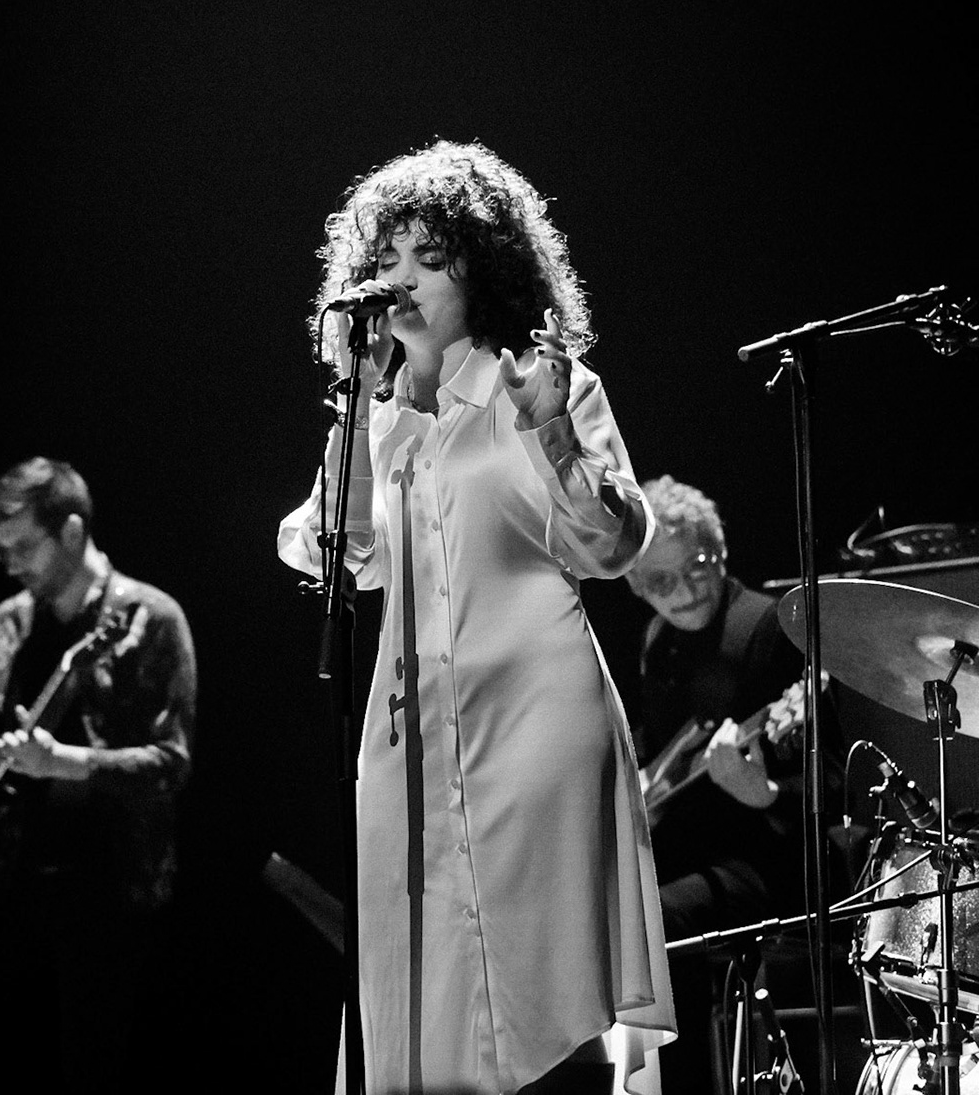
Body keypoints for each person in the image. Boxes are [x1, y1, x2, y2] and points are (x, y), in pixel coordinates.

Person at [276, 140, 673, 1093]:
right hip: (407, 732)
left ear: (483, 269)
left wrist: (551, 430)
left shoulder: (538, 383)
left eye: (430, 257)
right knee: (420, 994)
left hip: (539, 718)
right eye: (386, 260)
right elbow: (328, 548)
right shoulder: (373, 419)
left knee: (547, 983)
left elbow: (613, 548)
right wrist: (357, 403)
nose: (401, 280)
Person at [0, 457, 197, 1095]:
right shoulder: (9, 621)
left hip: (111, 892)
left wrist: (66, 762)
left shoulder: (151, 618)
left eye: (23, 547)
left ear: (71, 531)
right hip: (11, 887)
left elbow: (171, 764)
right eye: (0, 550)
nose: (9, 565)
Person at [627, 475, 808, 1093]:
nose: (682, 591)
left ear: (720, 551)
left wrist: (764, 793)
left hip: (767, 861)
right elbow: (655, 751)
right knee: (595, 902)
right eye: (659, 581)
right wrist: (643, 791)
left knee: (651, 920)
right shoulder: (656, 640)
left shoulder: (771, 627)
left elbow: (834, 779)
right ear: (634, 584)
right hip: (688, 854)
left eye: (697, 567)